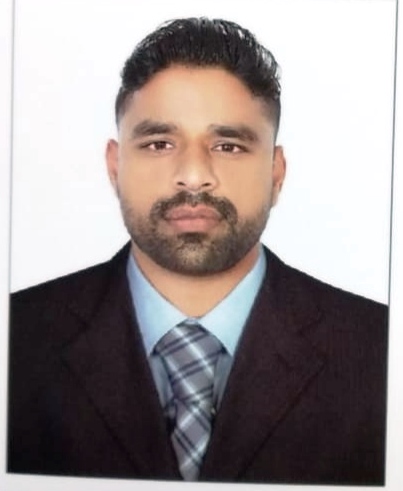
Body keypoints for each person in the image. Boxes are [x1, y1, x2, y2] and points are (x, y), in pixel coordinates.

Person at [8, 17, 388, 485]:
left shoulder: (381, 351)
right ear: (115, 166)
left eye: (228, 145)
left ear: (276, 173)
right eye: (159, 143)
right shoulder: (16, 338)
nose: (193, 176)